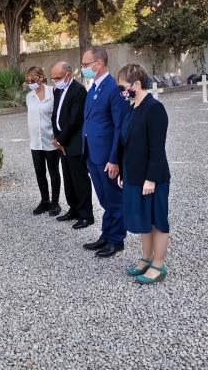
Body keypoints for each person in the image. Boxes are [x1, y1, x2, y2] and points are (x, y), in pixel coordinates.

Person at [116, 63, 171, 284]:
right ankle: (146, 258)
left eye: (123, 87)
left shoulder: (154, 109)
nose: (121, 92)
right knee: (143, 221)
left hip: (152, 178)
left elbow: (157, 148)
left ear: (136, 85)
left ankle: (159, 264)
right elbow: (126, 144)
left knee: (157, 221)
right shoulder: (132, 108)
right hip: (133, 175)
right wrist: (123, 170)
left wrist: (151, 178)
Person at [80, 46, 130, 258]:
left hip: (107, 158)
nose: (83, 68)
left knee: (114, 199)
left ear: (98, 64)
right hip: (92, 154)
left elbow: (119, 127)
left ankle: (116, 240)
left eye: (85, 65)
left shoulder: (113, 88)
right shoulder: (94, 88)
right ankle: (106, 234)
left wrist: (115, 159)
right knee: (103, 199)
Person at [50, 61, 94, 229]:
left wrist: (61, 140)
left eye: (58, 77)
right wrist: (57, 138)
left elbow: (75, 120)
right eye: (53, 78)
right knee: (68, 178)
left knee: (79, 178)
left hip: (74, 142)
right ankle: (73, 208)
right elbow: (56, 115)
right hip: (62, 143)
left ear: (68, 74)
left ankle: (86, 214)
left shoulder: (78, 91)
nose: (55, 81)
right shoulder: (58, 90)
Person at [25, 66, 61, 216]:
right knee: (40, 173)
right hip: (35, 142)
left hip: (51, 140)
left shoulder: (53, 93)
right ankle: (44, 201)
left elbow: (58, 116)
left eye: (33, 79)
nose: (30, 83)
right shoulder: (29, 96)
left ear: (41, 78)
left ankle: (55, 202)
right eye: (28, 81)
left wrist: (59, 137)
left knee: (53, 171)